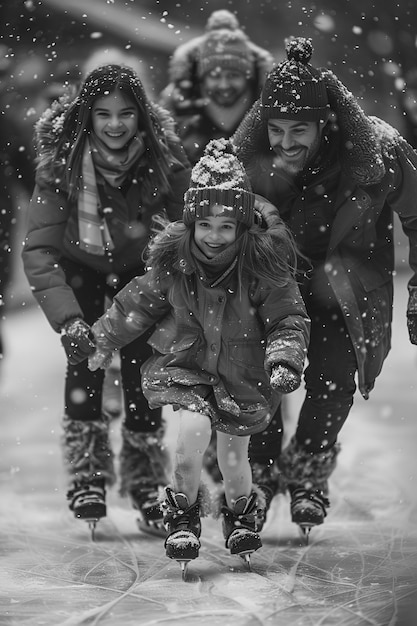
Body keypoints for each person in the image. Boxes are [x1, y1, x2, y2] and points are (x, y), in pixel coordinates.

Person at [84, 138, 310, 574]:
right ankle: (182, 517)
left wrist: (283, 358)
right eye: (205, 224)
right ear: (191, 224)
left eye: (227, 226)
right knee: (189, 442)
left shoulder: (263, 267)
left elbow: (288, 320)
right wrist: (103, 339)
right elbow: (136, 304)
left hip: (242, 374)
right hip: (187, 369)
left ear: (244, 227)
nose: (214, 236)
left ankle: (241, 516)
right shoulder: (175, 265)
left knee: (233, 459)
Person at [232, 36, 417, 539]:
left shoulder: (377, 152)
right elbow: (203, 229)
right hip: (271, 292)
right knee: (259, 382)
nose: (286, 143)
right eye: (276, 130)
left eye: (299, 130)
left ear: (325, 123)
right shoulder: (243, 165)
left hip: (349, 292)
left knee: (332, 385)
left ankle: (308, 471)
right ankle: (260, 475)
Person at [21, 64, 191, 536]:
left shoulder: (164, 161)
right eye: (103, 114)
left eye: (125, 114)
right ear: (87, 117)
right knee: (86, 362)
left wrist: (176, 286)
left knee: (143, 368)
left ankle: (145, 476)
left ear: (142, 116)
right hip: (83, 270)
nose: (115, 125)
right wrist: (69, 321)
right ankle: (87, 472)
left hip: (141, 271)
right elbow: (39, 248)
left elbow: (187, 232)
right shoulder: (62, 163)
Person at [159, 9, 274, 165]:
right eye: (214, 76)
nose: (224, 85)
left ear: (249, 78)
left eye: (233, 75)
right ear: (201, 79)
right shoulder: (175, 110)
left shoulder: (269, 112)